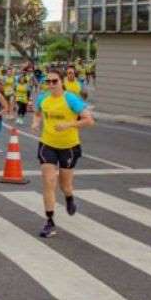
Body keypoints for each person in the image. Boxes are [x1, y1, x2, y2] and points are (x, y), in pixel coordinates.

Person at [31, 69, 95, 239]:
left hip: (69, 146)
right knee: (48, 181)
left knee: (64, 185)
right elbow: (37, 114)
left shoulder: (70, 98)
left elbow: (89, 120)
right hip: (47, 144)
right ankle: (50, 221)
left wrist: (68, 125)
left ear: (61, 81)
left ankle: (69, 197)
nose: (51, 85)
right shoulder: (43, 98)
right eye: (48, 81)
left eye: (54, 81)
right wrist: (36, 123)